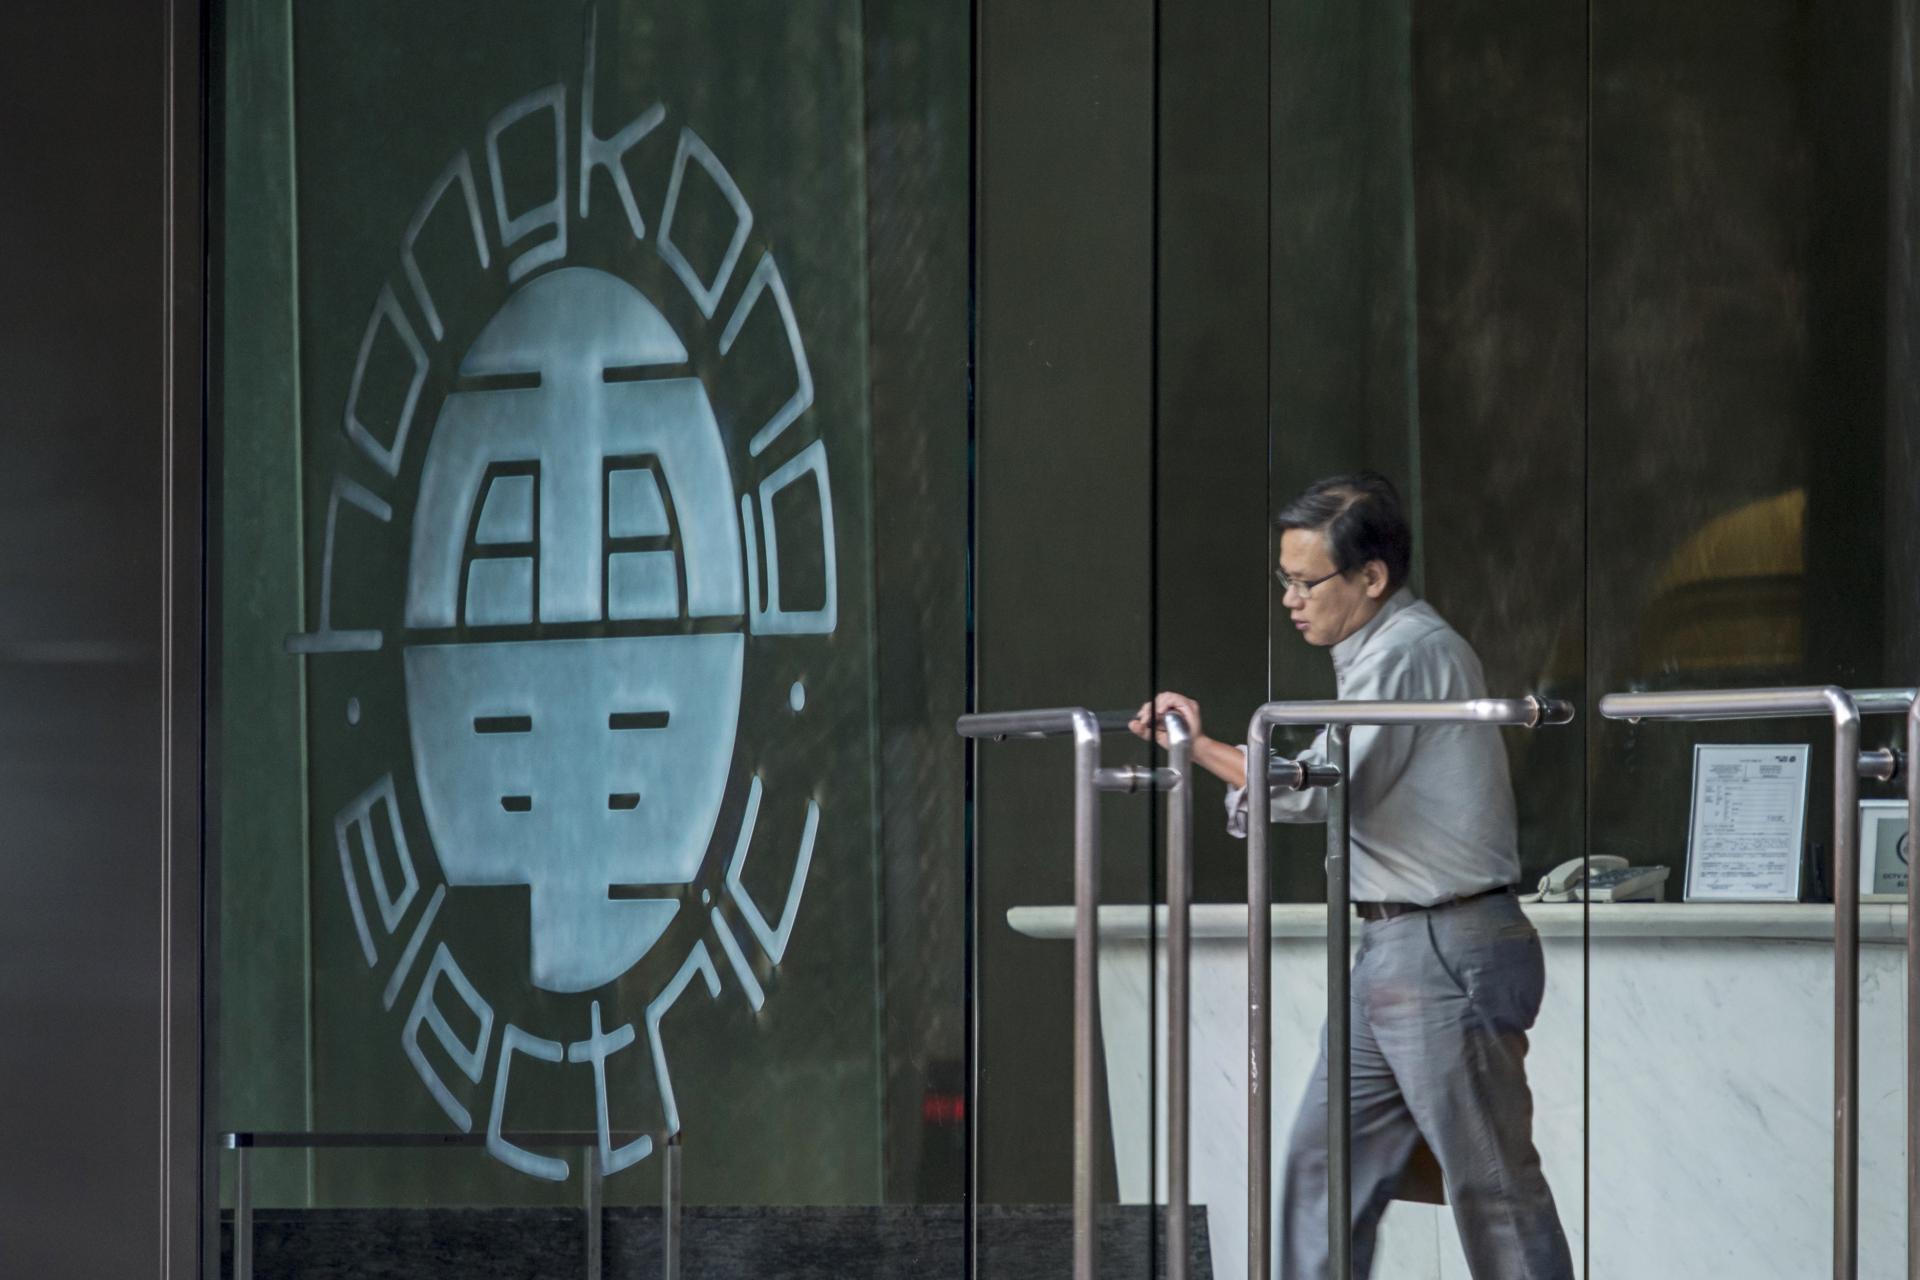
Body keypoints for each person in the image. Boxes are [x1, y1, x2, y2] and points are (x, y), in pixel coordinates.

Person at [1130, 472, 1572, 1280]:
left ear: (1371, 576)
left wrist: (1201, 747)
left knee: (1492, 1190)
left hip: (1445, 946)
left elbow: (1325, 785)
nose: (1291, 600)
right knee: (1323, 1172)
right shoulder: (1377, 650)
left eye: (1307, 582)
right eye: (1285, 580)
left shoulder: (1408, 651)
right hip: (1398, 948)